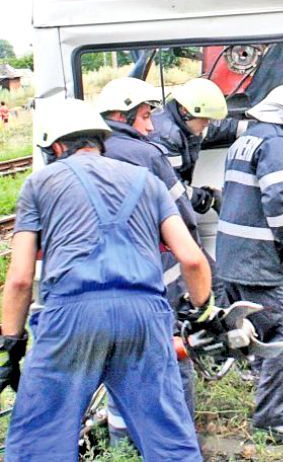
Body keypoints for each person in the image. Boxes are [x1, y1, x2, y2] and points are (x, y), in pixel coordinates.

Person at [1, 98, 213, 460]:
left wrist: (10, 342)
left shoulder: (39, 184)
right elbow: (192, 258)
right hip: (144, 318)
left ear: (56, 148)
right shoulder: (147, 181)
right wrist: (203, 311)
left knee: (41, 441)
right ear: (100, 140)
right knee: (169, 441)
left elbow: (20, 279)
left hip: (72, 319)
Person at [96, 76, 203, 443]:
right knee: (173, 360)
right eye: (144, 116)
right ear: (120, 115)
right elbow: (184, 220)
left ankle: (122, 446)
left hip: (102, 289)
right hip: (152, 284)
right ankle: (180, 441)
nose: (151, 126)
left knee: (118, 367)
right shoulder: (147, 156)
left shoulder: (80, 156)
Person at [216, 84, 283, 443]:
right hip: (255, 258)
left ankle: (263, 390)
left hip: (231, 254)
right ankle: (272, 419)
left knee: (259, 331)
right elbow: (277, 198)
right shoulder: (275, 142)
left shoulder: (245, 140)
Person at [150, 77, 237, 217]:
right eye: (205, 118)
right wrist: (208, 199)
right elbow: (172, 188)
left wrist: (256, 128)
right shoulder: (166, 136)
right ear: (185, 111)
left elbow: (222, 128)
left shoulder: (192, 122)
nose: (207, 123)